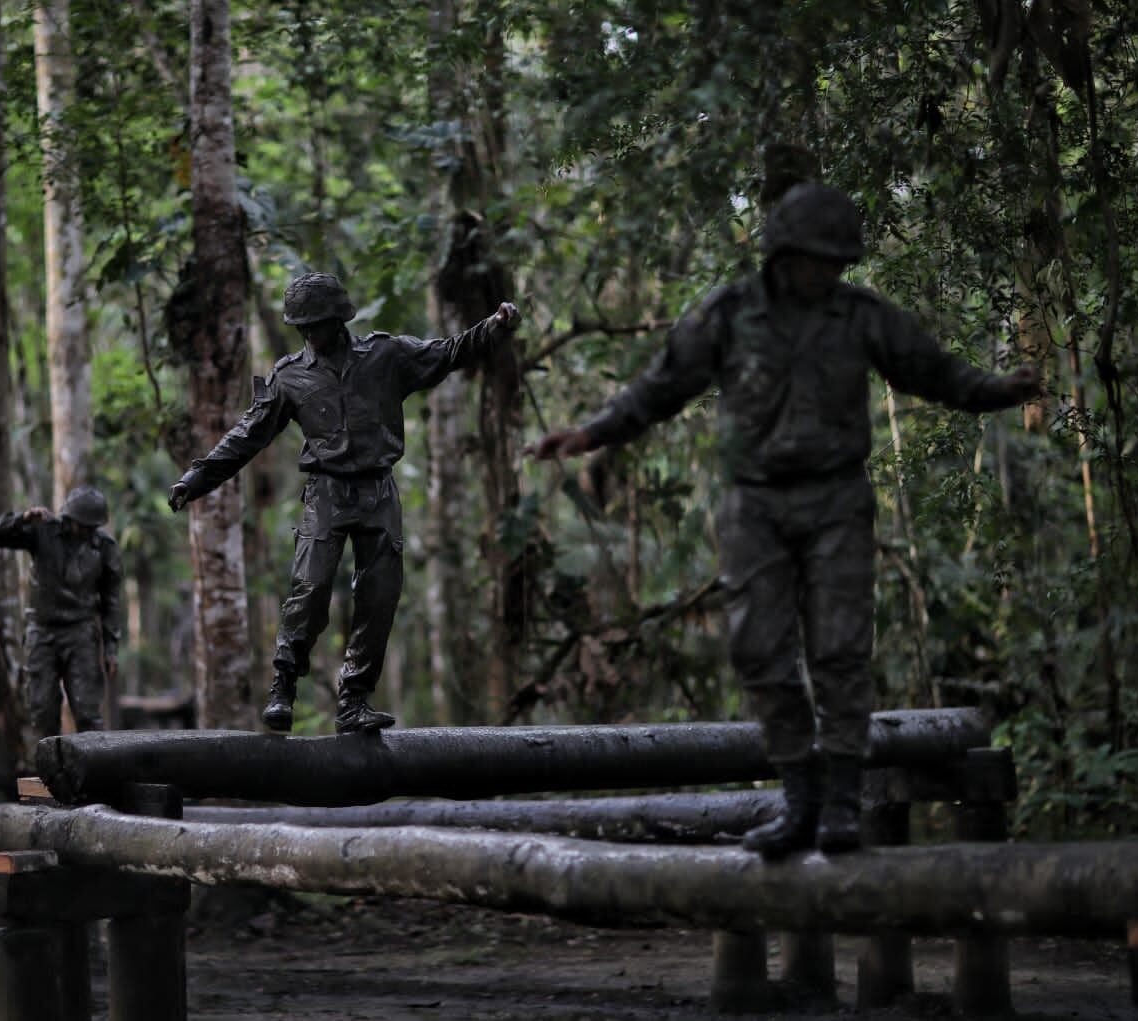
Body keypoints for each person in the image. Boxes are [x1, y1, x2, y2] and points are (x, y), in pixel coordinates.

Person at [530, 182, 1040, 857]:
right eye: (815, 259)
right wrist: (590, 434)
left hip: (835, 498)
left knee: (839, 651)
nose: (825, 272)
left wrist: (995, 390)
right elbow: (662, 385)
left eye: (835, 261)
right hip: (755, 503)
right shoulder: (730, 313)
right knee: (759, 650)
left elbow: (929, 369)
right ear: (782, 254)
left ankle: (839, 805)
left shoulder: (858, 314)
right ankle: (798, 798)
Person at [169, 271, 521, 735]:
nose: (311, 335)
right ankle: (283, 687)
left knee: (379, 597)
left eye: (318, 324)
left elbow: (447, 352)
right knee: (310, 589)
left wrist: (493, 327)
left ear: (339, 320)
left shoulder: (384, 355)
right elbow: (246, 436)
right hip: (327, 493)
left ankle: (354, 701)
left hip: (378, 491)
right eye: (304, 327)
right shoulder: (289, 375)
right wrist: (197, 477)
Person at [0, 486, 123, 737]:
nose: (85, 532)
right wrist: (23, 518)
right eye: (82, 525)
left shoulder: (104, 548)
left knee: (87, 712)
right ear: (69, 519)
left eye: (91, 527)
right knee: (42, 708)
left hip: (80, 632)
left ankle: (93, 770)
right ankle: (51, 769)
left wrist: (111, 648)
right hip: (42, 630)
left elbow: (111, 600)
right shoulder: (43, 532)